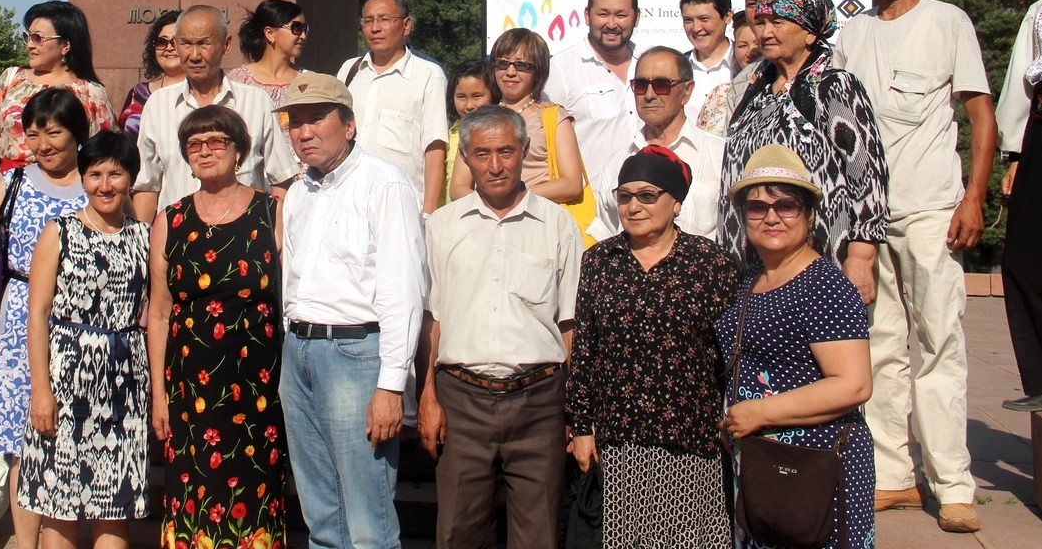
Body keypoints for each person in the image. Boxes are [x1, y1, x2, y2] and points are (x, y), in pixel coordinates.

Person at [830, 0, 995, 532]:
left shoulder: (948, 21)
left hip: (931, 210)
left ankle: (953, 483)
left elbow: (981, 114)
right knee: (877, 346)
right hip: (864, 222)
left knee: (941, 345)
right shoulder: (852, 34)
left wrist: (973, 196)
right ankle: (892, 477)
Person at [419, 106, 582, 549]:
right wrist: (429, 396)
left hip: (539, 400)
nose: (495, 165)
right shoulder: (443, 227)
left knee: (538, 535)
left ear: (525, 151)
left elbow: (569, 322)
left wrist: (573, 409)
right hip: (462, 400)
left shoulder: (558, 225)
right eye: (483, 153)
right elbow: (432, 318)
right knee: (458, 533)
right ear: (466, 158)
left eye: (506, 151)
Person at [276, 72, 426, 549]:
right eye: (295, 122)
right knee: (321, 515)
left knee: (367, 522)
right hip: (298, 352)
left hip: (356, 354)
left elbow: (404, 291)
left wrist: (390, 385)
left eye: (317, 119)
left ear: (350, 124)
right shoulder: (299, 192)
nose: (304, 132)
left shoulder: (385, 184)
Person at [566, 146, 737, 548]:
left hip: (692, 441)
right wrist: (583, 426)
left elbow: (731, 353)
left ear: (675, 203)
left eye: (647, 195)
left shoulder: (709, 263)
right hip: (619, 442)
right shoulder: (600, 261)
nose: (633, 206)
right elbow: (586, 350)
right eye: (624, 196)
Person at [0, 87, 88, 547]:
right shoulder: (15, 181)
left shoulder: (98, 181)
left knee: (69, 434)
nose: (43, 144)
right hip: (22, 314)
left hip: (78, 320)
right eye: (33, 133)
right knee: (24, 439)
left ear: (78, 133)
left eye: (54, 132)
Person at [716, 145, 876, 549]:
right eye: (756, 207)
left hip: (813, 466)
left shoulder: (824, 285)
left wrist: (759, 411)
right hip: (764, 463)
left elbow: (853, 384)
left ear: (808, 214)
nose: (771, 216)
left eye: (785, 205)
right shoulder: (752, 276)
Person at [148, 106, 286, 549]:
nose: (205, 151)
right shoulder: (169, 219)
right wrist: (158, 396)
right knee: (193, 490)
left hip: (257, 385)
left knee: (253, 490)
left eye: (216, 141)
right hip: (190, 389)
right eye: (194, 144)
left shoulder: (272, 211)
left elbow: (286, 299)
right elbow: (158, 313)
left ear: (239, 149)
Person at [17, 131, 152, 547]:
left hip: (126, 378)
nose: (105, 185)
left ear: (131, 178)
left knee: (116, 507)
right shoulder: (60, 232)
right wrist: (42, 390)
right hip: (66, 375)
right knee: (59, 505)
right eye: (95, 174)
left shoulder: (145, 237)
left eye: (116, 174)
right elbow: (37, 315)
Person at [716, 0, 889, 302]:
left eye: (778, 22)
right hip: (752, 264)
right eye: (762, 22)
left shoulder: (834, 86)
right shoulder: (753, 89)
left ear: (810, 32)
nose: (765, 32)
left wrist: (863, 255)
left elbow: (866, 172)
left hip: (817, 258)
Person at [132, 5, 299, 222]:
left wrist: (272, 235)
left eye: (203, 44)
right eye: (185, 44)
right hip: (178, 243)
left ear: (226, 45)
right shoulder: (158, 105)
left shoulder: (256, 102)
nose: (194, 55)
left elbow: (283, 178)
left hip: (244, 243)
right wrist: (145, 247)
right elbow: (147, 185)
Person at [0, 0, 115, 188]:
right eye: (27, 36)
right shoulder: (11, 79)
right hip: (7, 189)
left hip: (65, 190)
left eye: (38, 38)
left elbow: (104, 153)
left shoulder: (91, 92)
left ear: (65, 45)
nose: (29, 45)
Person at [453, 29, 588, 234]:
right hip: (485, 227)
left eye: (522, 65)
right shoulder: (479, 120)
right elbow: (458, 187)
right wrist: (490, 203)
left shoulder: (553, 116)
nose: (510, 72)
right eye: (502, 63)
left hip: (540, 226)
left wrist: (512, 198)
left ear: (538, 71)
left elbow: (572, 184)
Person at [593, 48, 725, 240]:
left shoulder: (720, 155)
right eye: (640, 85)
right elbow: (605, 234)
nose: (649, 95)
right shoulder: (617, 162)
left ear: (686, 91)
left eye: (661, 85)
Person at [336, 0, 450, 213]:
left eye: (385, 19)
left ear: (406, 25)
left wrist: (427, 213)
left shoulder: (428, 75)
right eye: (368, 20)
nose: (375, 28)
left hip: (399, 208)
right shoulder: (349, 70)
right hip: (346, 203)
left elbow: (434, 147)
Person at [544, 0, 643, 208]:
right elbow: (546, 145)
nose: (611, 24)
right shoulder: (560, 70)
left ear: (636, 17)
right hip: (590, 212)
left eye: (621, 15)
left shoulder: (649, 64)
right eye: (603, 14)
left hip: (648, 207)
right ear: (588, 16)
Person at [999, 0, 1042, 412]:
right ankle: (1041, 379)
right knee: (1024, 260)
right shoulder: (1041, 11)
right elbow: (1020, 82)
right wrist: (1013, 152)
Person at [699, 0, 801, 136]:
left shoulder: (834, 71)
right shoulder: (742, 85)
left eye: (771, 0)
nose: (761, 11)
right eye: (753, 4)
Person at [227, 0, 307, 108]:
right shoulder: (238, 81)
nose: (303, 36)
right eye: (297, 28)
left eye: (305, 29)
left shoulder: (309, 81)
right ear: (270, 33)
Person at [442, 60, 499, 207]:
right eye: (461, 97)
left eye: (477, 96)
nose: (469, 105)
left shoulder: (499, 133)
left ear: (493, 94)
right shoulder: (447, 134)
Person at [119, 9, 183, 137]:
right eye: (162, 42)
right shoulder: (137, 94)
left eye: (176, 41)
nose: (169, 48)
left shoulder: (202, 92)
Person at [679, 0, 735, 121]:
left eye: (704, 19)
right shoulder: (676, 67)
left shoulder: (749, 67)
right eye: (688, 20)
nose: (696, 28)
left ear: (727, 16)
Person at [696, 10, 759, 135]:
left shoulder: (782, 90)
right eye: (742, 45)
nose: (751, 51)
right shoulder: (718, 95)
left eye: (758, 43)